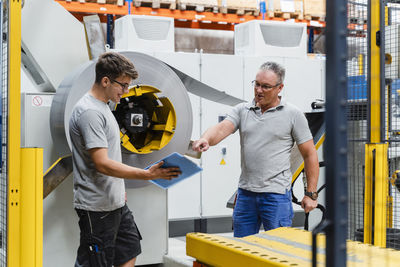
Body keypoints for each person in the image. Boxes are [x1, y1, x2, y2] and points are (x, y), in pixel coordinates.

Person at [69, 52, 181, 267]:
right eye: (123, 85)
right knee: (95, 262)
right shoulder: (89, 112)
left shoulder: (103, 108)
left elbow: (109, 156)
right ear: (105, 81)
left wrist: (119, 188)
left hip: (115, 202)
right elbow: (101, 163)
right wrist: (147, 174)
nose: (127, 91)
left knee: (129, 249)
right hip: (97, 208)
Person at [192, 61, 319, 238]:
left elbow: (309, 153)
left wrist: (311, 194)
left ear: (279, 87)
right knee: (242, 249)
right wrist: (206, 138)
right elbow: (221, 128)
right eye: (257, 84)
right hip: (246, 195)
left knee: (278, 249)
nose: (259, 90)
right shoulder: (242, 110)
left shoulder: (293, 114)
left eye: (266, 86)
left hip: (276, 196)